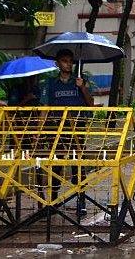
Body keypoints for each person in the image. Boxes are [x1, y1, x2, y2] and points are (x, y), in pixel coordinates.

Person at [40, 49, 94, 217]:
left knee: (78, 165)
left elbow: (90, 104)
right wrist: (38, 129)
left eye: (70, 61)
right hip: (56, 129)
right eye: (64, 61)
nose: (68, 64)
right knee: (56, 164)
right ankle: (54, 201)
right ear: (57, 63)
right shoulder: (50, 84)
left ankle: (81, 200)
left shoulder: (80, 82)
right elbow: (44, 108)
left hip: (77, 128)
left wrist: (82, 87)